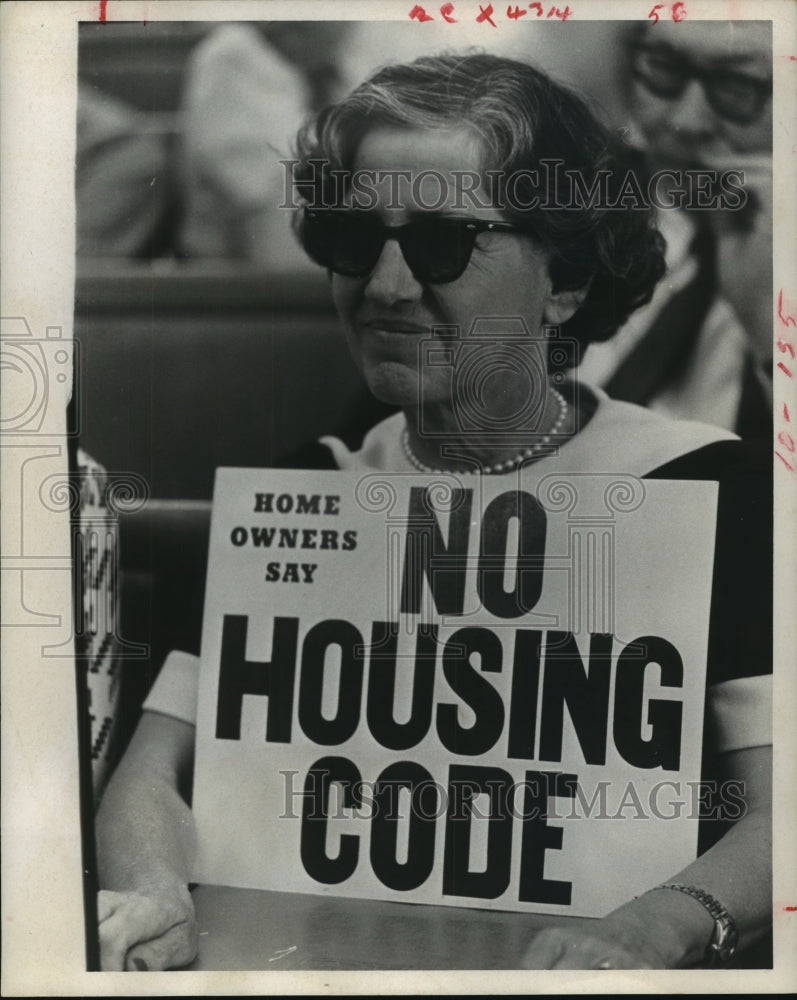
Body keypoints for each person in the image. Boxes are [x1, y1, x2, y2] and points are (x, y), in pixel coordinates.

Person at [95, 53, 771, 971]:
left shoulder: (702, 491)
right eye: (352, 238)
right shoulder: (309, 488)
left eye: (442, 244)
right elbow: (151, 771)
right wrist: (154, 889)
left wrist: (656, 925)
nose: (383, 288)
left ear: (564, 282)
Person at [578, 20, 773, 439]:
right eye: (664, 67)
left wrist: (773, 331)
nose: (686, 120)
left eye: (738, 86)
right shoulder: (565, 198)